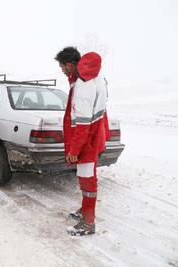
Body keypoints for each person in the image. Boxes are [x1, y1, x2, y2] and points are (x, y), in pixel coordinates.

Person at [55, 47, 109, 236]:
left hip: (87, 141)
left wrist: (75, 149)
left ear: (70, 65)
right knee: (88, 176)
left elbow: (83, 123)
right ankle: (85, 210)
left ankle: (88, 222)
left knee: (87, 180)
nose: (61, 70)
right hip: (94, 136)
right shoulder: (95, 78)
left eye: (62, 67)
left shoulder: (83, 85)